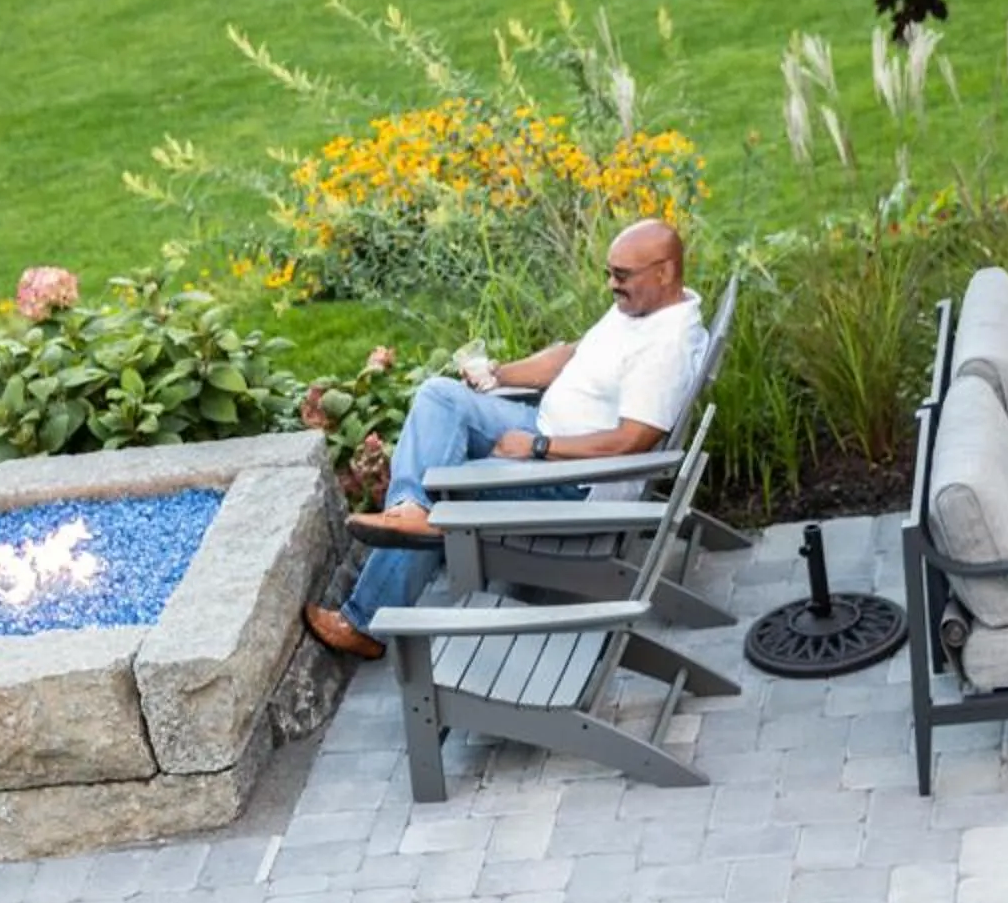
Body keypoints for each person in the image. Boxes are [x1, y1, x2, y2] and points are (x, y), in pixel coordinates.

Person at [301, 218, 707, 662]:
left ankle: (365, 623)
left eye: (621, 275)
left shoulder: (666, 346)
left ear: (664, 272)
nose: (611, 284)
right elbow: (572, 356)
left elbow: (632, 441)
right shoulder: (641, 308)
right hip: (544, 429)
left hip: (576, 479)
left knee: (447, 489)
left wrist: (537, 448)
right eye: (609, 273)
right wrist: (498, 375)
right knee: (440, 396)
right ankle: (410, 510)